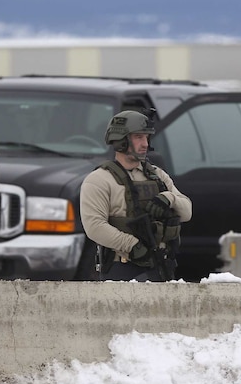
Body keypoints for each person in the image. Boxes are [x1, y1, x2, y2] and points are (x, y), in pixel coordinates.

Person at [79, 110, 192, 281]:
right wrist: (132, 246)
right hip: (122, 267)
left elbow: (186, 213)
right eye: (138, 137)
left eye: (147, 137)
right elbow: (94, 226)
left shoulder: (157, 176)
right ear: (121, 141)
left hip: (160, 264)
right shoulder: (99, 180)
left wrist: (169, 199)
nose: (145, 144)